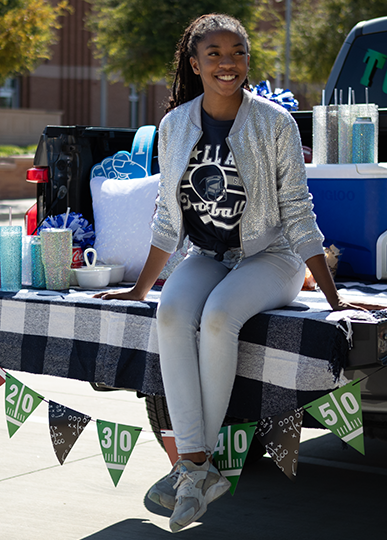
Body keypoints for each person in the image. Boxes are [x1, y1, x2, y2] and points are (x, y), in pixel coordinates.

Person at [93, 13, 368, 533]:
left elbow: (298, 210)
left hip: (275, 258)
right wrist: (138, 289)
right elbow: (168, 219)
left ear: (247, 60)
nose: (227, 63)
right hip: (210, 256)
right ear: (194, 64)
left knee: (219, 318)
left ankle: (195, 467)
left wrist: (334, 299)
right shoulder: (175, 126)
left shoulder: (274, 123)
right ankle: (196, 467)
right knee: (172, 312)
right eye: (214, 54)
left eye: (237, 52)